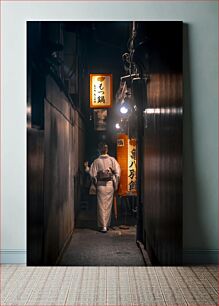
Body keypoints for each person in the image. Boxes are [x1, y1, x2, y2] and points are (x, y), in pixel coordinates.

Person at [84, 143, 121, 233]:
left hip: (100, 185)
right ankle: (106, 224)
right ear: (107, 150)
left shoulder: (96, 161)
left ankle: (103, 225)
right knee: (108, 205)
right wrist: (115, 183)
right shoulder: (112, 160)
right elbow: (118, 173)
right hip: (109, 185)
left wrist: (87, 169)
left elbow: (92, 174)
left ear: (100, 150)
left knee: (101, 205)